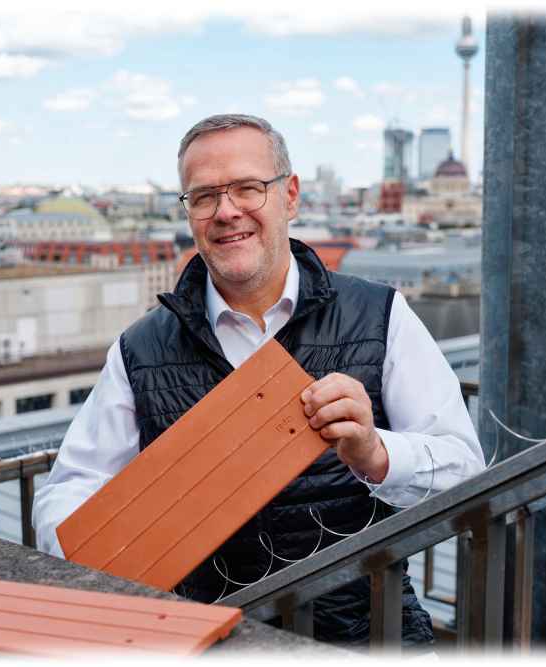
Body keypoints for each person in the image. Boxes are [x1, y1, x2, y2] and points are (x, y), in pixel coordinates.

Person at [33, 114, 484, 648]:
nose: (227, 211)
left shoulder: (381, 315)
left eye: (248, 188)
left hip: (361, 639)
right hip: (209, 641)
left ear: (290, 196)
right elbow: (70, 490)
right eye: (204, 196)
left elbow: (465, 472)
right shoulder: (140, 348)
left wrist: (377, 453)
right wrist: (101, 557)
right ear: (188, 212)